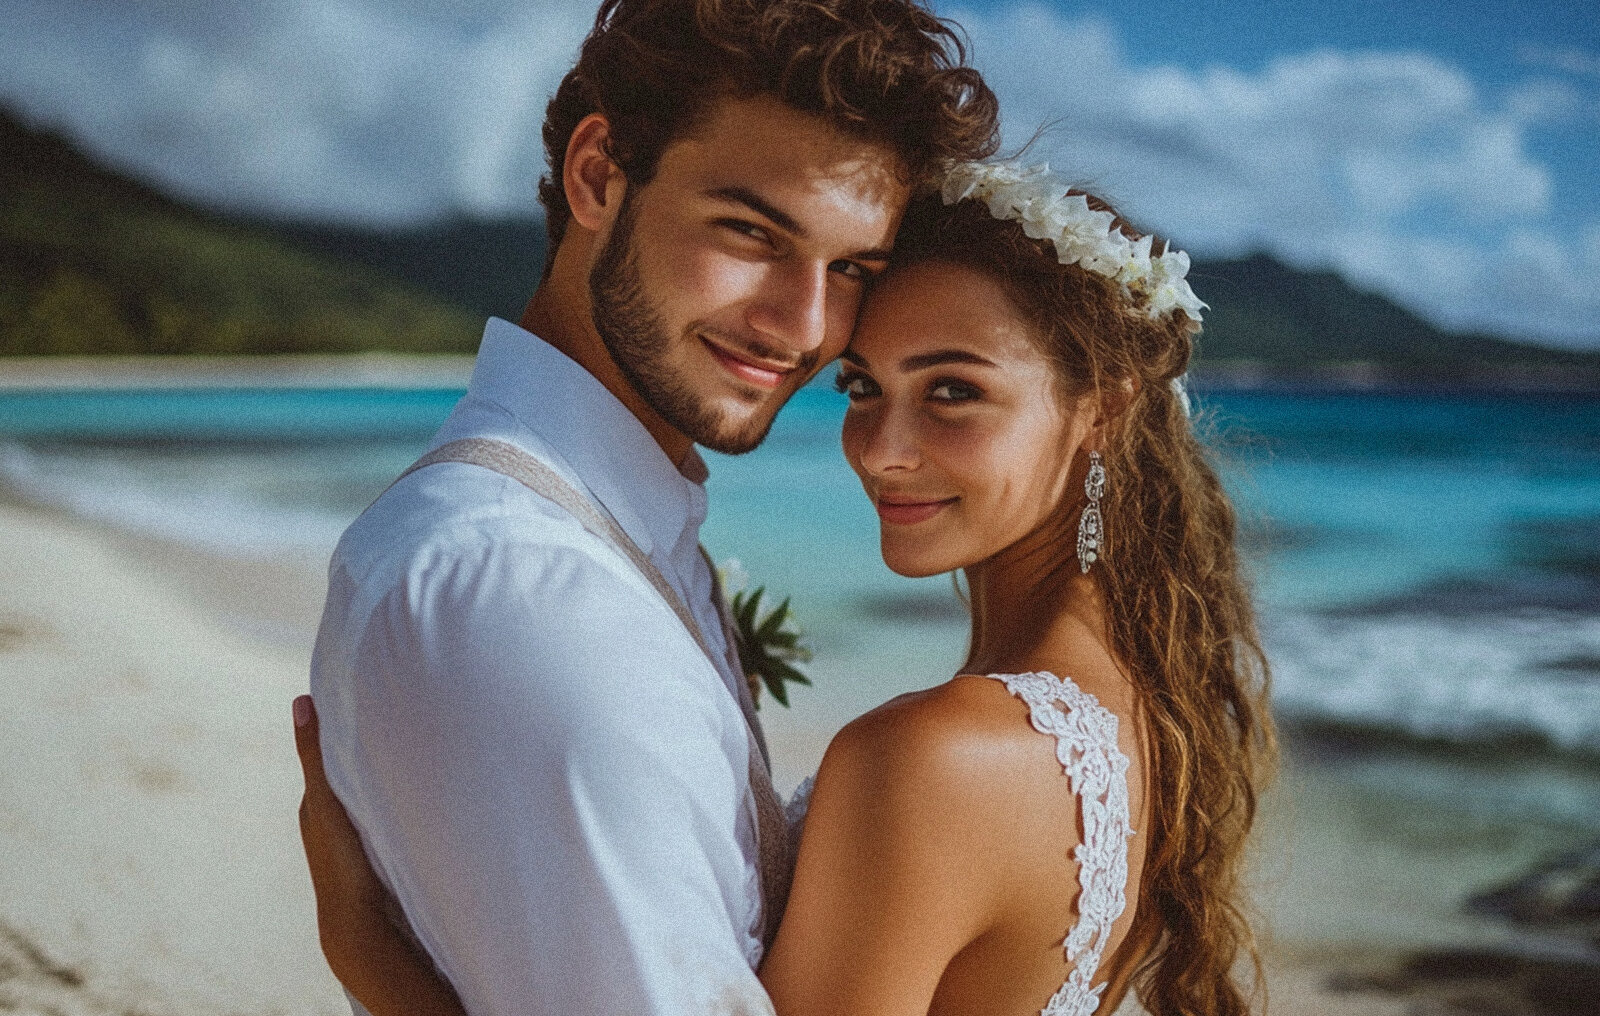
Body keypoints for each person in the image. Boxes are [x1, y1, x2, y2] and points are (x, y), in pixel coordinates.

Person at [296, 158, 1277, 1016]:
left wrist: (377, 962)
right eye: (860, 387)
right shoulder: (1150, 718)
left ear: (1100, 407)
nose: (882, 451)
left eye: (951, 390)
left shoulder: (931, 760)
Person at [304, 1, 999, 1015]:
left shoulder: (600, 532)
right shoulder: (524, 591)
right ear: (597, 175)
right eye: (753, 232)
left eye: (852, 270)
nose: (804, 327)